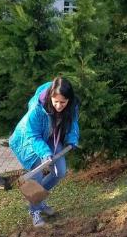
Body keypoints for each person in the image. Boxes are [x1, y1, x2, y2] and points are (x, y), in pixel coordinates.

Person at [9, 76, 80, 227]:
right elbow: (32, 135)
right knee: (37, 176)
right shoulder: (37, 109)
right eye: (56, 102)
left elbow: (73, 122)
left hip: (50, 136)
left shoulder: (72, 104)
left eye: (63, 102)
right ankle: (34, 210)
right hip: (28, 140)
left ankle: (38, 200)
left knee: (59, 172)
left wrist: (72, 139)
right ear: (50, 97)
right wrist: (44, 153)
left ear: (69, 100)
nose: (59, 106)